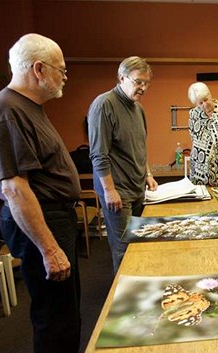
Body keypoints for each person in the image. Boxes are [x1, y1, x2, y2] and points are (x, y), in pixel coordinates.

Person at [0, 33, 81, 353]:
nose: (65, 76)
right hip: (41, 224)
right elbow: (15, 189)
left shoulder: (27, 107)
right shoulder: (6, 111)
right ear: (39, 68)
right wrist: (49, 250)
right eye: (61, 69)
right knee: (53, 317)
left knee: (65, 312)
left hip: (54, 219)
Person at [88, 56, 158, 274]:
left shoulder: (138, 109)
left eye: (147, 83)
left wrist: (148, 174)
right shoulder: (104, 104)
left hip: (137, 188)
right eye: (138, 82)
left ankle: (137, 288)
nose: (143, 88)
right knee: (124, 249)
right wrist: (109, 190)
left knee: (138, 245)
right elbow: (99, 154)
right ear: (121, 78)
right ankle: (123, 300)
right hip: (118, 192)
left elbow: (140, 146)